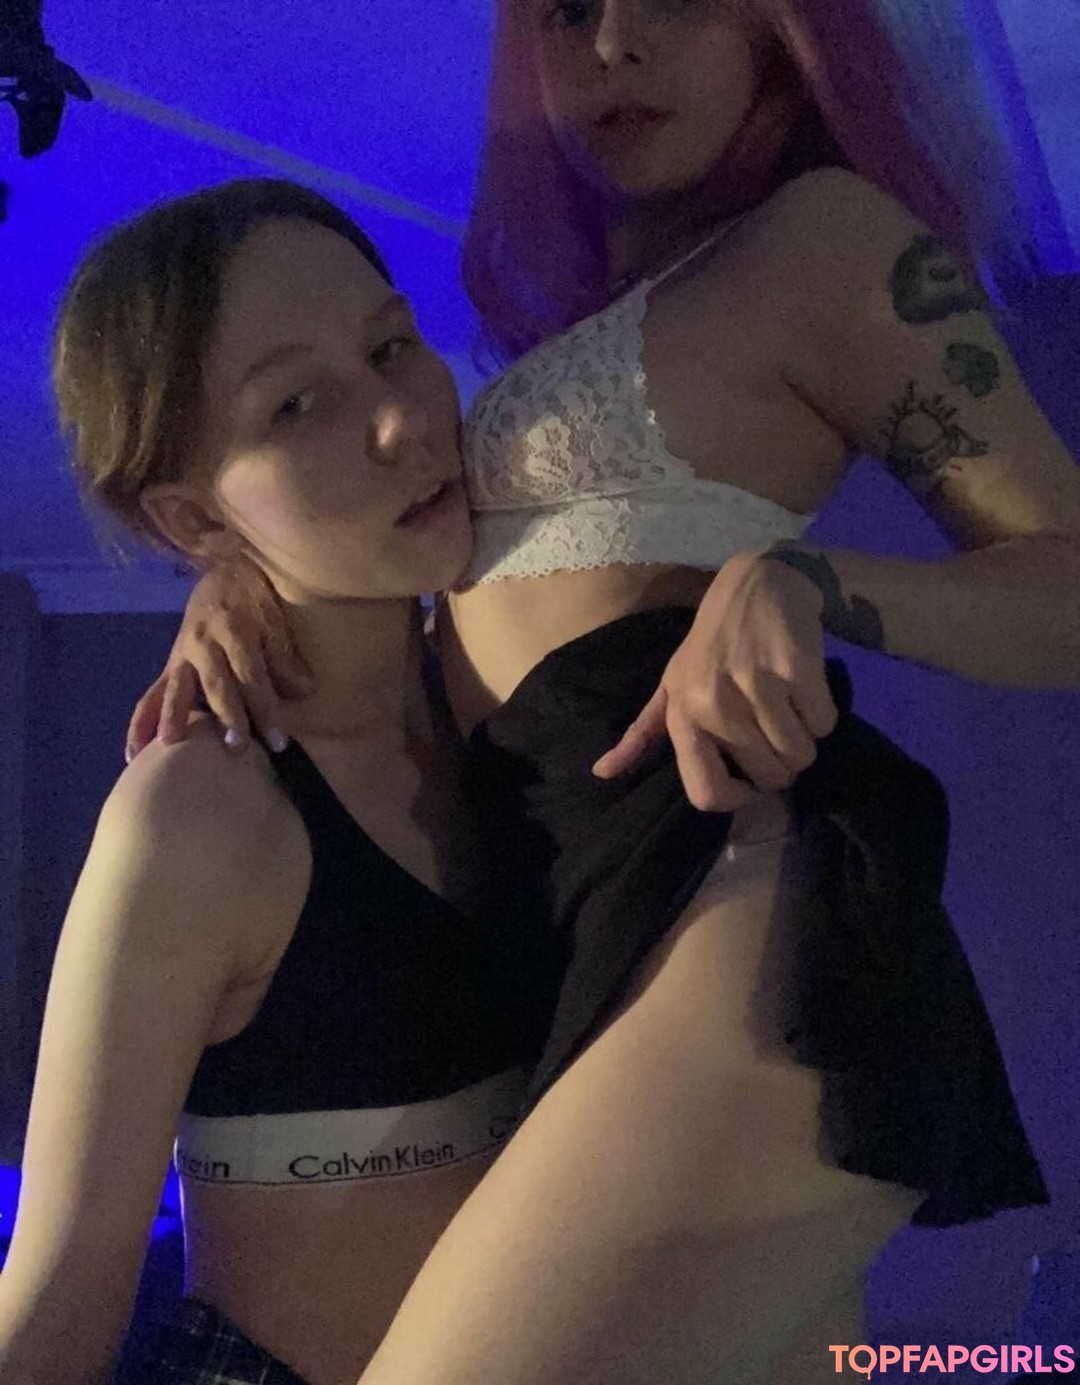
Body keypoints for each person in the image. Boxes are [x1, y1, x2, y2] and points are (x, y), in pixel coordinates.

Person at [129, 2, 1080, 1380]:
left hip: (733, 905)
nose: (614, 44)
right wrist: (240, 576)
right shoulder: (604, 305)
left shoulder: (831, 237)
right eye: (571, 8)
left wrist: (810, 581)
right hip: (576, 935)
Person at [0, 181, 544, 1385]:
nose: (400, 421)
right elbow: (56, 1305)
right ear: (193, 517)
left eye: (392, 347)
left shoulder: (509, 698)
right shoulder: (200, 814)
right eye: (297, 404)